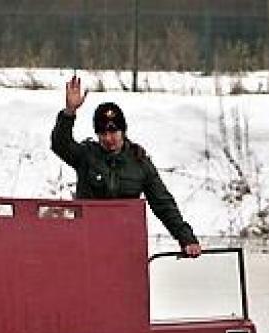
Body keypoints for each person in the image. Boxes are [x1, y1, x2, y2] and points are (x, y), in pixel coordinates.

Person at [51, 75, 202, 257]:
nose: (108, 138)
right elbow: (60, 144)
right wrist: (69, 112)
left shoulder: (139, 162)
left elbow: (163, 204)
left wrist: (187, 239)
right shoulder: (86, 155)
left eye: (113, 131)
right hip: (88, 242)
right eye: (103, 133)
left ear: (123, 131)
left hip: (125, 245)